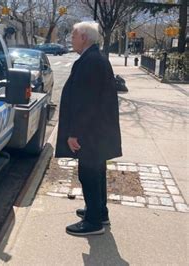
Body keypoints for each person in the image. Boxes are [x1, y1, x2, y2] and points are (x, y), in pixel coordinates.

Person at [55, 21, 122, 236]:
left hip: (90, 133)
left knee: (89, 174)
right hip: (98, 132)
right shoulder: (95, 58)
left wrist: (75, 134)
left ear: (84, 38)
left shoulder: (90, 61)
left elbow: (86, 103)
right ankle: (99, 212)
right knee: (97, 171)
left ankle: (93, 223)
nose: (71, 40)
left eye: (74, 36)